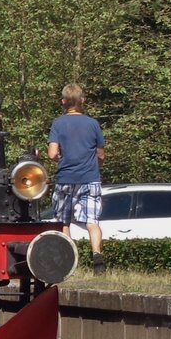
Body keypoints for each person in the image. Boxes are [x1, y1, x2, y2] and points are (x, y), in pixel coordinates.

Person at [48, 83, 107, 273]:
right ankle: (97, 255)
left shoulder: (58, 124)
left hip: (66, 179)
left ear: (63, 102)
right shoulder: (93, 124)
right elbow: (101, 154)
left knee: (64, 222)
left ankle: (68, 261)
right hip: (90, 179)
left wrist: (59, 156)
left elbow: (52, 153)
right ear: (83, 100)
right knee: (92, 222)